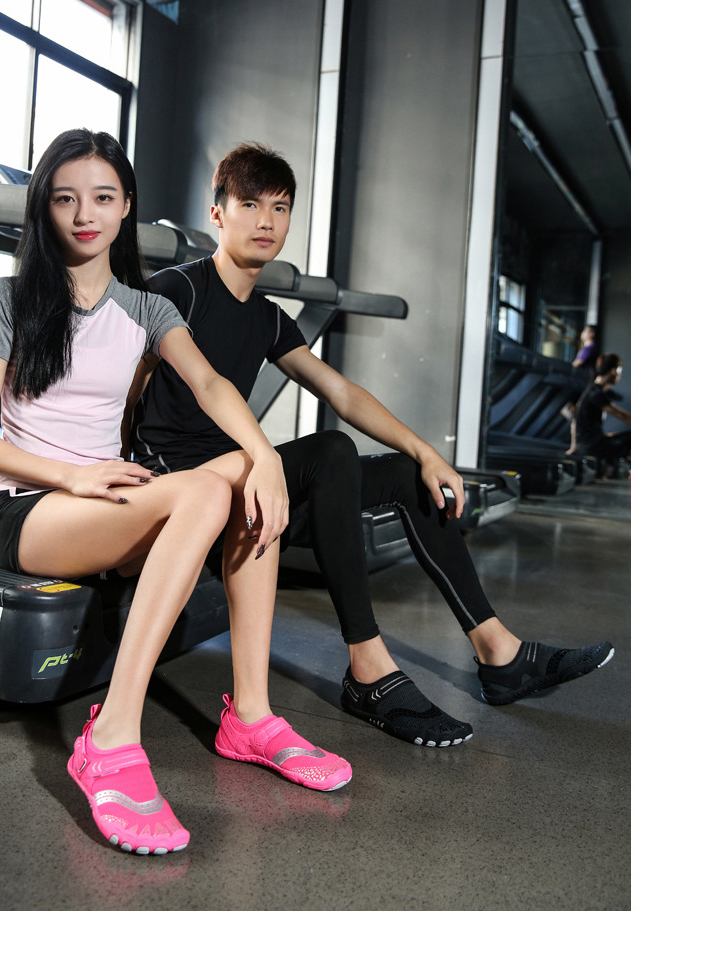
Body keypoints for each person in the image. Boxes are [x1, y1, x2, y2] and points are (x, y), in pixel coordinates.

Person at [127, 141, 614, 750]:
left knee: (410, 477)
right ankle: (368, 668)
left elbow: (341, 391)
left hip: (244, 485)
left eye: (279, 208)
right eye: (249, 205)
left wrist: (426, 451)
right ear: (217, 213)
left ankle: (500, 653)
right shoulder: (178, 288)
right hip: (181, 487)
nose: (266, 221)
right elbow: (128, 384)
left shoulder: (268, 317)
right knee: (330, 451)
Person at [0, 130, 351, 857]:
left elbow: (209, 383)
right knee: (203, 493)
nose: (86, 214)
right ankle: (110, 736)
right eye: (66, 198)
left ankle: (252, 715)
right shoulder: (6, 299)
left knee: (242, 478)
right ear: (44, 207)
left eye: (103, 197)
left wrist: (263, 455)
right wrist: (73, 475)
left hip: (110, 507)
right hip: (31, 510)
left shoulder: (146, 309)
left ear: (126, 206)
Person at [574, 353, 631, 469]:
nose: (619, 375)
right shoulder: (596, 393)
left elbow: (575, 420)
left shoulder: (592, 389)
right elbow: (622, 416)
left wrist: (574, 447)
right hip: (592, 447)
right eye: (619, 371)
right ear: (613, 371)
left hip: (588, 444)